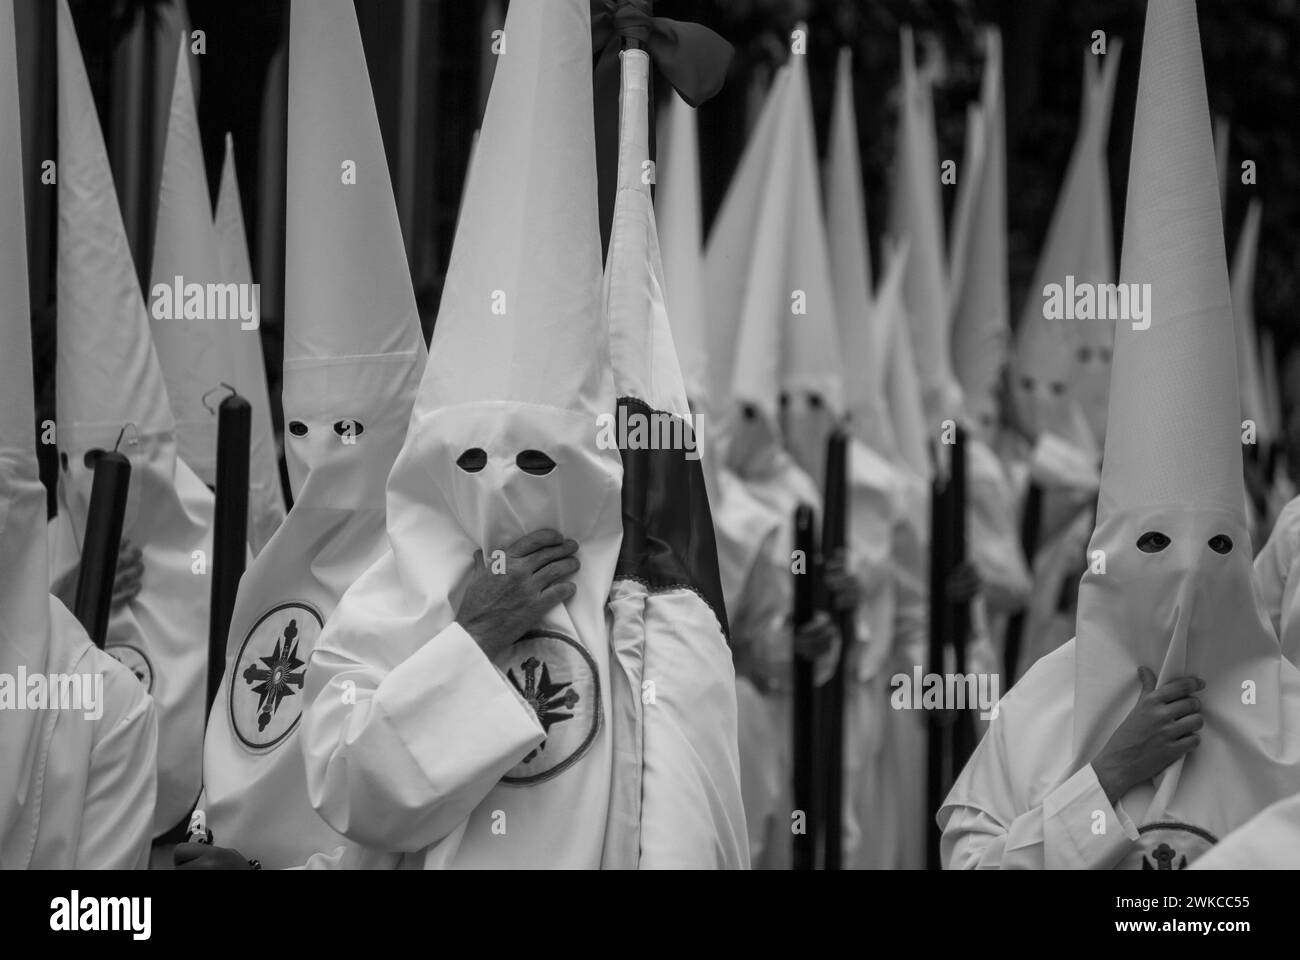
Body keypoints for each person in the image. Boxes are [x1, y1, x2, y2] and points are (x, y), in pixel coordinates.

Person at [939, 0, 1300, 870]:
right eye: (1150, 543)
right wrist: (1104, 781)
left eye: (1216, 545)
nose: (1182, 573)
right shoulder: (1039, 709)